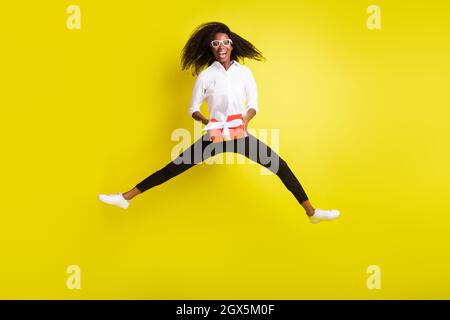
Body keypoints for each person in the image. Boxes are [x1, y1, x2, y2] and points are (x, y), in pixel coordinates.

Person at [98, 22, 340, 224]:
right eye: (215, 44)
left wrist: (245, 121)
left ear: (231, 45)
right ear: (211, 49)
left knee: (280, 166)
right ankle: (126, 197)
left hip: (239, 134)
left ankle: (312, 213)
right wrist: (207, 120)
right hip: (215, 134)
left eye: (224, 42)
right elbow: (192, 108)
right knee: (173, 168)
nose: (220, 47)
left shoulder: (244, 73)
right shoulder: (206, 75)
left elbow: (253, 104)